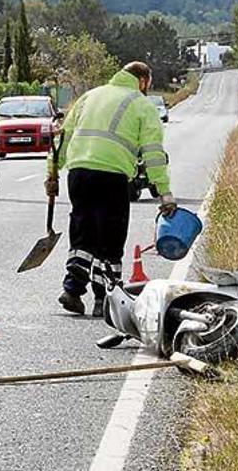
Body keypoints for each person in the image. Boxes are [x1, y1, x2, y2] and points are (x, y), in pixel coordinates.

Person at [45, 61, 176, 317]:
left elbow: (62, 138)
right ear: (142, 81)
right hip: (112, 176)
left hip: (79, 173)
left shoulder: (89, 97)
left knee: (83, 232)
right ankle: (103, 298)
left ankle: (72, 289)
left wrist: (51, 173)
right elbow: (153, 153)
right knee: (110, 237)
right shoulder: (141, 105)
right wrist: (164, 192)